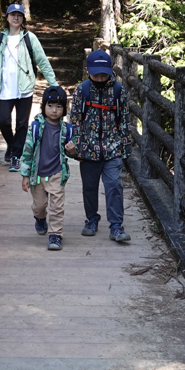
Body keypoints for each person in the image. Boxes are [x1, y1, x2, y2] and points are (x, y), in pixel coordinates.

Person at [0, 3, 57, 171]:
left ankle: (16, 156)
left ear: (23, 19)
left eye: (19, 15)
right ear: (7, 18)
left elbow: (43, 61)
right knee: (3, 120)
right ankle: (12, 144)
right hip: (6, 88)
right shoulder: (0, 39)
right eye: (13, 14)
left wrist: (54, 85)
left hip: (25, 88)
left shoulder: (30, 38)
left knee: (22, 124)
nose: (16, 17)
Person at [67, 49, 132, 243]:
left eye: (104, 74)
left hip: (113, 147)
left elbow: (125, 121)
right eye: (96, 74)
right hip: (88, 148)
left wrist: (125, 149)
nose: (101, 78)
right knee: (89, 186)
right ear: (88, 71)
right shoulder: (82, 90)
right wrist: (75, 148)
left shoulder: (118, 90)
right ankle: (91, 219)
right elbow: (75, 120)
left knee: (113, 185)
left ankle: (116, 226)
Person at [19, 85, 74, 251]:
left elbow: (70, 154)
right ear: (43, 107)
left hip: (57, 172)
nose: (54, 110)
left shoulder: (66, 130)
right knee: (39, 206)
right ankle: (40, 218)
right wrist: (25, 175)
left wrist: (72, 150)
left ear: (64, 109)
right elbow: (28, 151)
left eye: (59, 107)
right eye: (50, 106)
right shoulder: (36, 127)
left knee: (57, 207)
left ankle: (55, 235)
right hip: (37, 174)